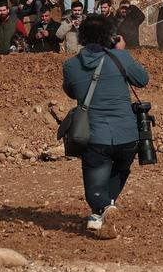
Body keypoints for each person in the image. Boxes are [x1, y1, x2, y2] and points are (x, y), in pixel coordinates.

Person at [62, 14, 149, 238]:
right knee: (120, 169)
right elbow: (142, 80)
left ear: (82, 37)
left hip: (94, 134)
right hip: (127, 134)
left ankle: (102, 209)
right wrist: (120, 52)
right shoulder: (121, 57)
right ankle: (101, 213)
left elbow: (72, 92)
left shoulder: (71, 65)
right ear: (111, 36)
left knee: (94, 181)